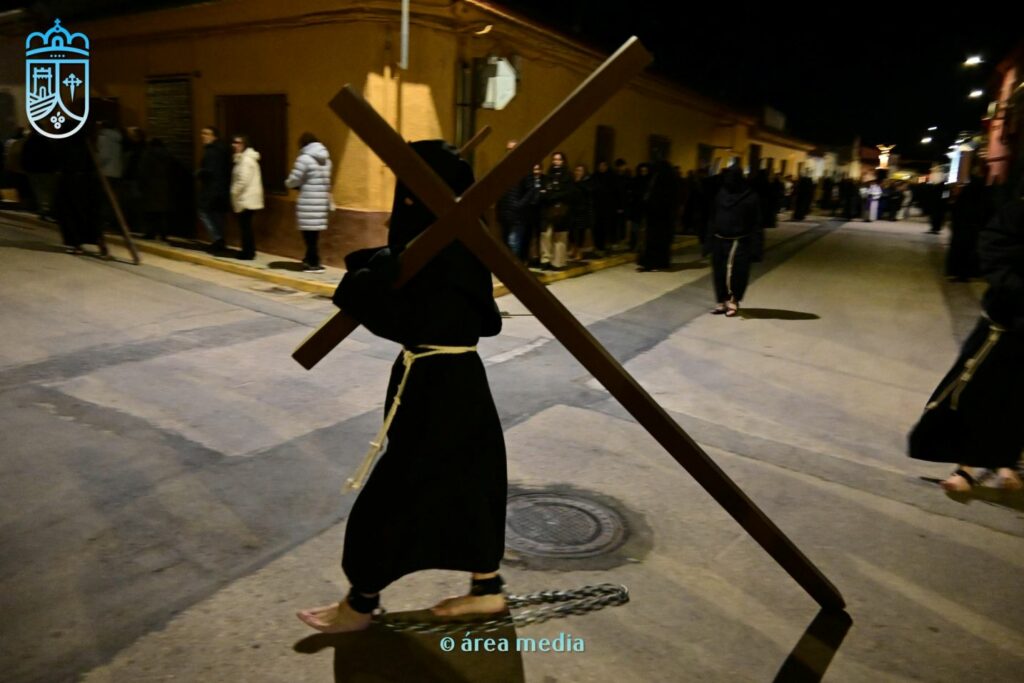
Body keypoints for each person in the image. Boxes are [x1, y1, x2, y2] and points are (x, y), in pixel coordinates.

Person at [297, 140, 507, 633]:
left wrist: (364, 286)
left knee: (394, 496)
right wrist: (378, 271)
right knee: (471, 483)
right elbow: (393, 266)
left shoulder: (451, 250)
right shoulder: (459, 239)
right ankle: (487, 590)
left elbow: (404, 315)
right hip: (453, 384)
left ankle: (362, 602)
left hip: (441, 390)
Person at [909, 183, 1024, 492]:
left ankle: (1006, 462)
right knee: (977, 393)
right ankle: (967, 467)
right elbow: (995, 253)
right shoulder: (1016, 212)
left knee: (1018, 401)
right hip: (1007, 322)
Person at [707, 165, 759, 317]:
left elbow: (755, 222)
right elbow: (713, 216)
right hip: (719, 239)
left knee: (737, 273)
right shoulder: (721, 194)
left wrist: (756, 247)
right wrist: (709, 240)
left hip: (739, 241)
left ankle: (734, 300)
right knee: (719, 272)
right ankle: (722, 300)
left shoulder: (750, 196)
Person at [285, 132, 333, 272]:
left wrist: (288, 183)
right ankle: (309, 259)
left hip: (308, 201)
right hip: (321, 200)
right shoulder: (327, 160)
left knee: (308, 235)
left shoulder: (304, 159)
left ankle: (314, 262)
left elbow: (294, 179)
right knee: (314, 235)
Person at [196, 126, 232, 253]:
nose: (203, 136)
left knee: (203, 211)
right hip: (222, 188)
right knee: (218, 215)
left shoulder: (212, 151)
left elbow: (211, 171)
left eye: (207, 133)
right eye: (202, 133)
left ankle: (218, 239)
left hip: (212, 188)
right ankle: (220, 240)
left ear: (214, 136)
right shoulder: (222, 149)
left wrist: (200, 173)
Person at [229, 134, 263, 260]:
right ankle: (249, 250)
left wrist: (233, 192)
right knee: (246, 226)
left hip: (246, 199)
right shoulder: (242, 159)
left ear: (244, 145)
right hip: (247, 198)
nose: (234, 145)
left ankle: (247, 252)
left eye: (237, 143)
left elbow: (242, 180)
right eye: (234, 142)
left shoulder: (246, 160)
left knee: (245, 227)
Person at [539, 151, 571, 270]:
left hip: (561, 212)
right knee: (546, 236)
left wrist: (551, 194)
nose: (556, 162)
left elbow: (567, 193)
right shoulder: (548, 175)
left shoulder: (567, 176)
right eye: (554, 159)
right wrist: (551, 194)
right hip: (548, 211)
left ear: (563, 161)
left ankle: (558, 263)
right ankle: (545, 260)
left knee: (560, 238)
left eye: (559, 159)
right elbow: (543, 192)